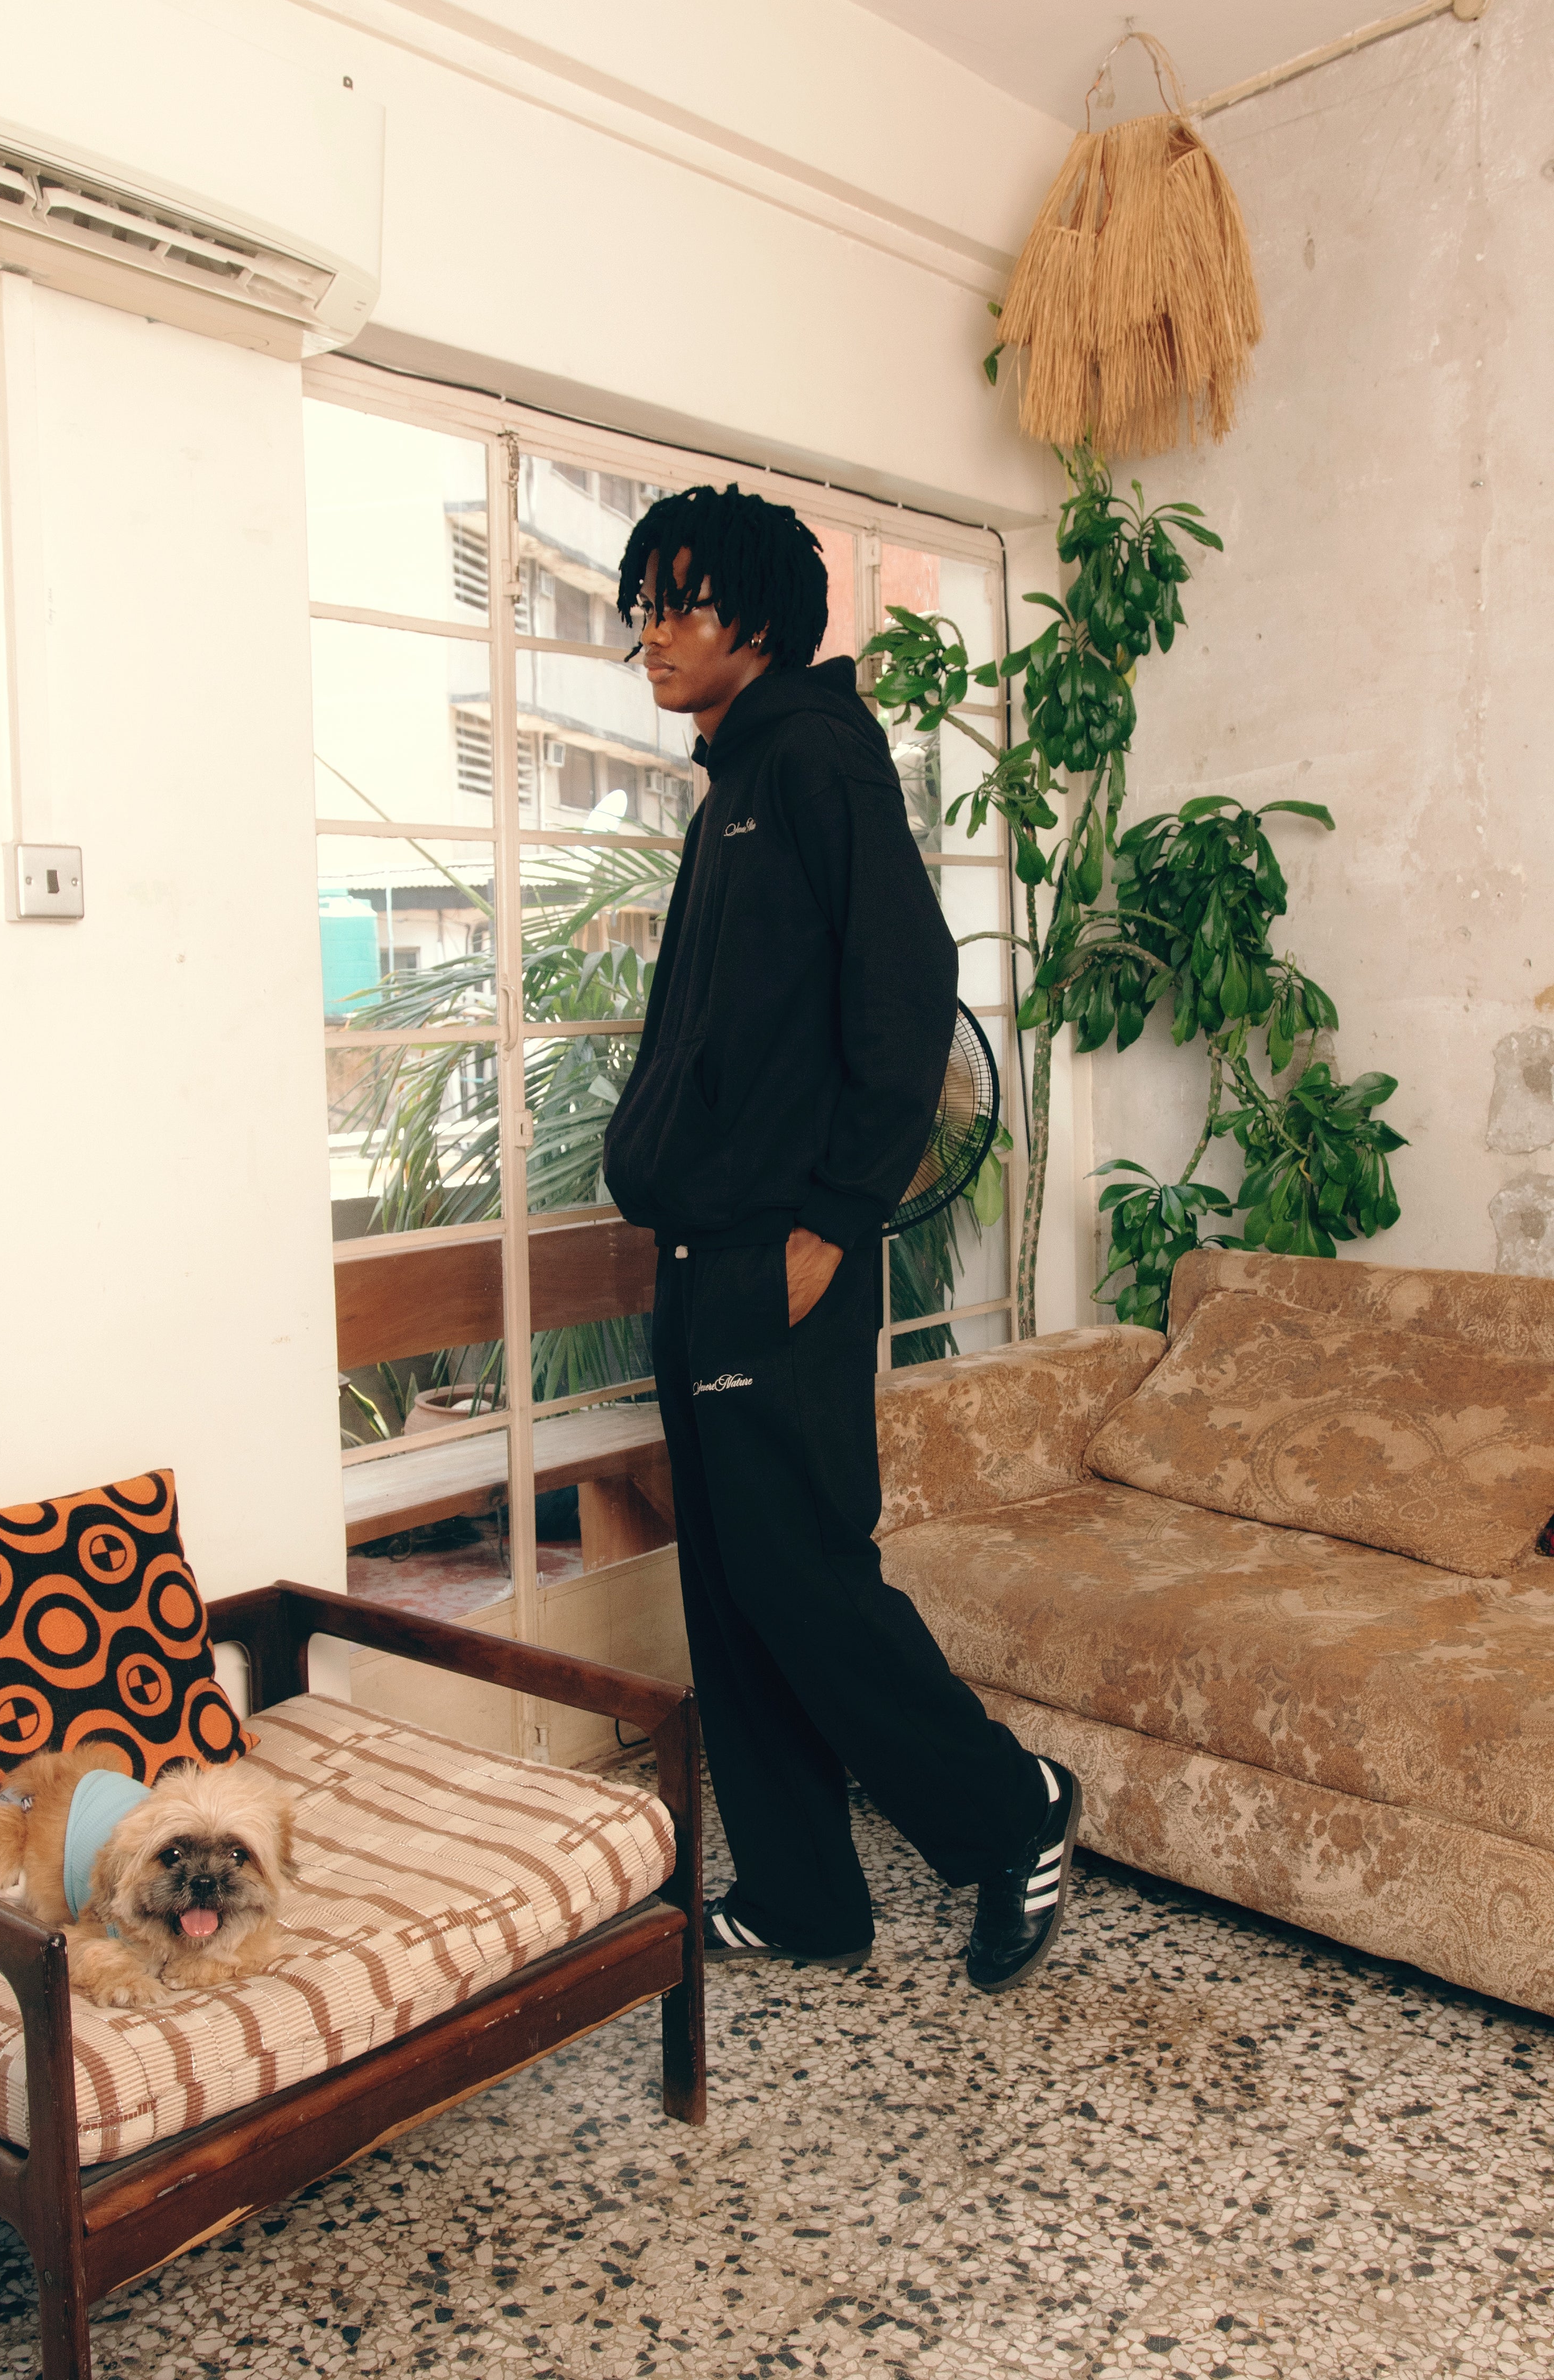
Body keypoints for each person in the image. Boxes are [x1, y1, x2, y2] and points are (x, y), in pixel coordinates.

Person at [602, 482, 1080, 1992]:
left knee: (802, 1573)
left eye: (681, 604)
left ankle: (1010, 1811)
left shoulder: (816, 755)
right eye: (644, 607)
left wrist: (832, 1221)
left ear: (758, 619)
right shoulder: (733, 783)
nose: (652, 634)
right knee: (733, 1587)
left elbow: (908, 990)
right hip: (702, 1257)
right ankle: (805, 1892)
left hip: (779, 1256)